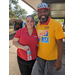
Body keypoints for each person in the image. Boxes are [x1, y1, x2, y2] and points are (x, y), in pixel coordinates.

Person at [36, 2, 65, 75]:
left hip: (52, 57)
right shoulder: (37, 26)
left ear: (48, 12)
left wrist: (59, 60)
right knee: (40, 71)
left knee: (50, 73)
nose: (43, 13)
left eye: (45, 11)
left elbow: (60, 42)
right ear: (38, 13)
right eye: (40, 11)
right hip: (40, 56)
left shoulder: (56, 24)